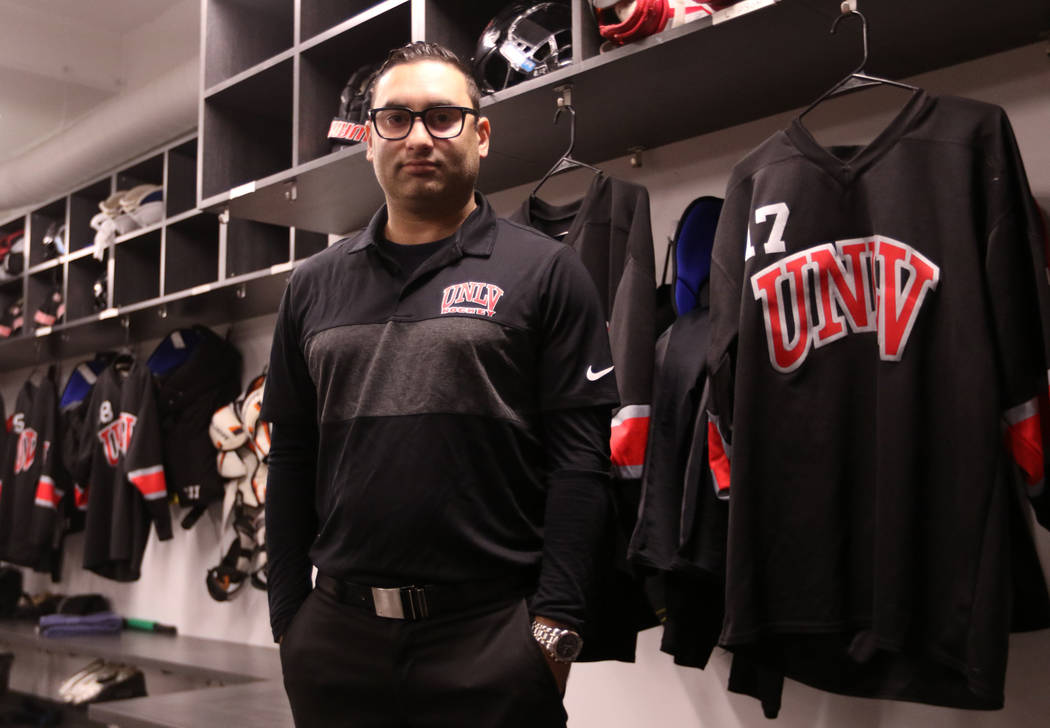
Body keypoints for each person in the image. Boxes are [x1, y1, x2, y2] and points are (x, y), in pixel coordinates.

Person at [261, 41, 620, 727]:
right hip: (336, 639)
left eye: (442, 117)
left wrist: (552, 633)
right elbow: (291, 457)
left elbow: (581, 467)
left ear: (480, 134)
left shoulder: (546, 271)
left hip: (491, 640)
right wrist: (290, 619)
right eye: (395, 119)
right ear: (369, 140)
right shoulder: (311, 286)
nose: (419, 137)